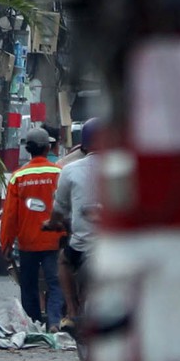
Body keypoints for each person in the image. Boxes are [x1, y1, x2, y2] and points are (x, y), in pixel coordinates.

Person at [0, 134, 65, 330]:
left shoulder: (19, 177)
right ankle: (54, 321)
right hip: (55, 240)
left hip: (28, 241)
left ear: (28, 150)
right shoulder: (59, 173)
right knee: (56, 283)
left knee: (29, 286)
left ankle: (33, 323)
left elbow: (10, 215)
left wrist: (6, 244)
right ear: (48, 148)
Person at [48, 120, 103, 328]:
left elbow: (59, 208)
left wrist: (53, 223)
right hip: (117, 244)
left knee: (63, 260)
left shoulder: (70, 170)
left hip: (83, 244)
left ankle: (71, 311)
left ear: (83, 145)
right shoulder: (122, 166)